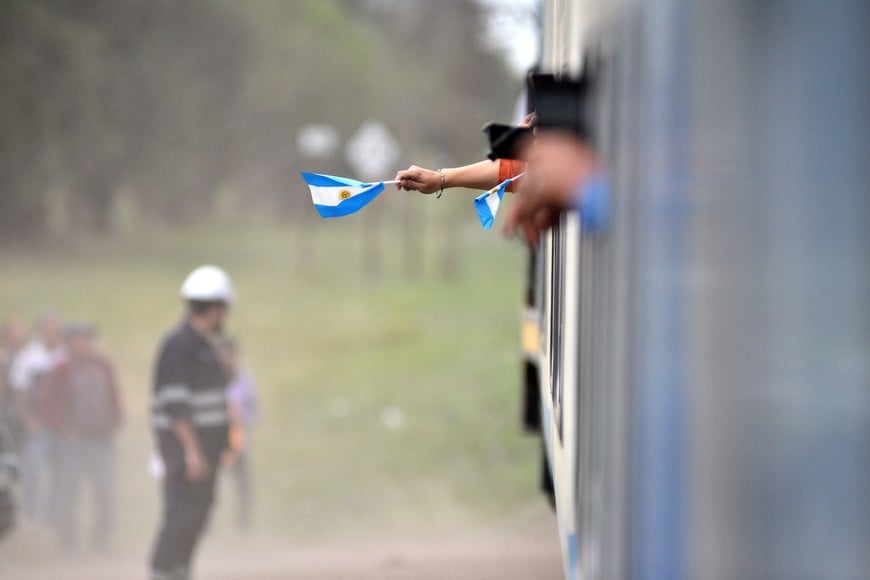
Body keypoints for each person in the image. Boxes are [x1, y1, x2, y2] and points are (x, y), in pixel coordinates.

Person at [149, 265, 235, 580]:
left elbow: (207, 398)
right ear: (214, 309)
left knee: (197, 515)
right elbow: (175, 405)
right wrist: (192, 451)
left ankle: (181, 571)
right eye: (224, 310)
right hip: (186, 453)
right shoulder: (179, 345)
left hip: (206, 451)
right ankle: (161, 571)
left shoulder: (204, 347)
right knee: (180, 516)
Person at [46, 322, 122, 552]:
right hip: (73, 440)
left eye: (89, 339)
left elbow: (114, 396)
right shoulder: (61, 368)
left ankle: (102, 542)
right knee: (69, 491)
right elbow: (47, 401)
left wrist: (115, 422)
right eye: (80, 340)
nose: (86, 344)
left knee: (105, 491)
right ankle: (68, 543)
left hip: (101, 439)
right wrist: (61, 427)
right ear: (70, 343)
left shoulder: (103, 366)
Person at [8, 314, 66, 524]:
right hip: (38, 424)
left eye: (55, 331)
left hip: (61, 426)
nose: (52, 335)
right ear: (41, 332)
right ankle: (29, 513)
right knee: (33, 469)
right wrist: (28, 418)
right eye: (48, 331)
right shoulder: (30, 357)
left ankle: (56, 515)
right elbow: (20, 390)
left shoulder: (64, 355)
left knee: (61, 473)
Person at [217, 337, 260, 531]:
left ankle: (244, 526)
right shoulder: (211, 380)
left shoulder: (244, 380)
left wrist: (242, 420)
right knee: (212, 488)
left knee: (243, 487)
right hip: (215, 444)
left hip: (239, 442)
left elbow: (254, 410)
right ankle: (210, 528)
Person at [0, 318, 29, 451]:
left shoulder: (28, 355)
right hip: (8, 411)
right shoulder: (4, 357)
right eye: (13, 334)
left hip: (25, 412)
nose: (17, 337)